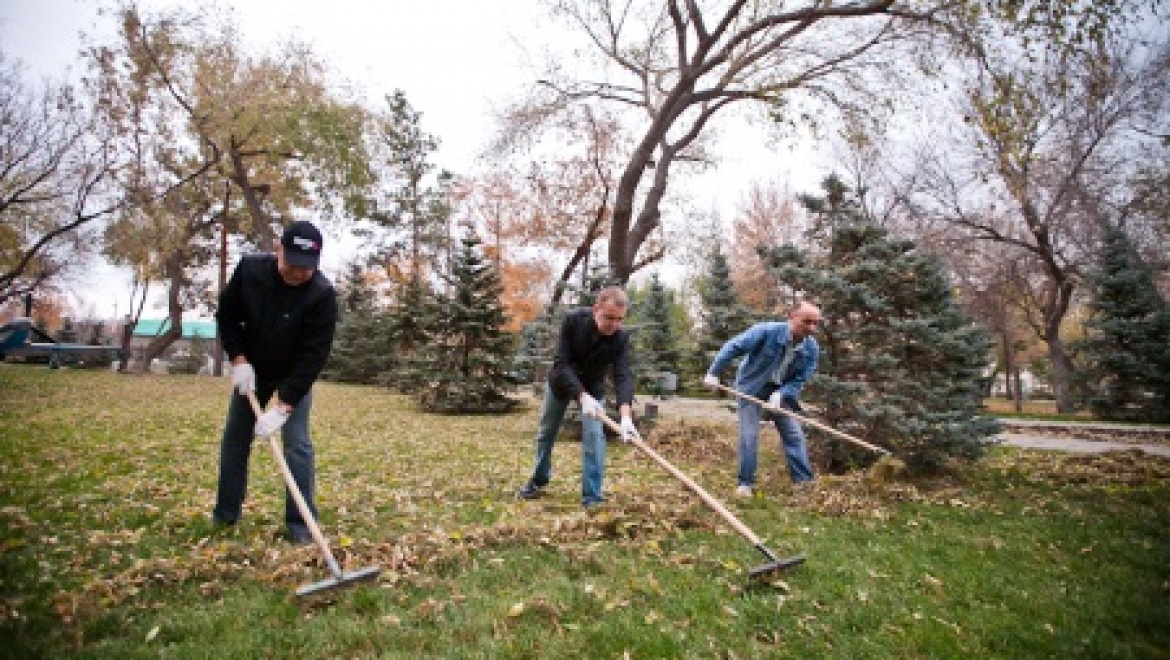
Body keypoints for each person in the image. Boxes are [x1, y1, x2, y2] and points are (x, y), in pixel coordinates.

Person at [211, 220, 339, 544]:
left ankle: (301, 527)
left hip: (294, 373)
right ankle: (225, 518)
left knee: (297, 445)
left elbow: (314, 357)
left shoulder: (321, 295)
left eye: (306, 268)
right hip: (251, 368)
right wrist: (238, 360)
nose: (298, 274)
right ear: (279, 249)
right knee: (235, 441)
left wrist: (283, 408)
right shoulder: (251, 271)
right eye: (293, 265)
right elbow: (226, 316)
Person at [516, 286, 638, 508]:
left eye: (619, 319)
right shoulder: (573, 321)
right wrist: (581, 396)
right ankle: (538, 480)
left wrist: (626, 416)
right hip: (562, 383)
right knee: (546, 433)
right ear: (595, 309)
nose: (613, 324)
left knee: (594, 437)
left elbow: (623, 375)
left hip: (593, 387)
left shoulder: (620, 338)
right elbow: (562, 363)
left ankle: (592, 497)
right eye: (608, 317)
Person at [703, 301, 823, 496]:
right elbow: (733, 347)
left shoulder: (811, 348)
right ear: (791, 318)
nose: (812, 328)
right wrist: (713, 372)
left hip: (780, 392)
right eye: (807, 322)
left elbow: (801, 378)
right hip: (751, 388)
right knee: (749, 435)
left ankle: (803, 484)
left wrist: (782, 394)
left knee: (794, 435)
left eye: (816, 323)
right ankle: (745, 484)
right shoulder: (766, 331)